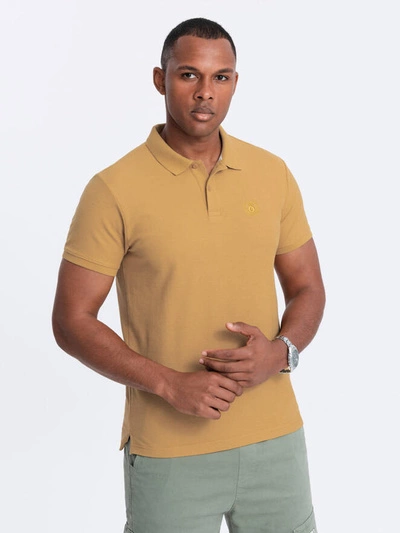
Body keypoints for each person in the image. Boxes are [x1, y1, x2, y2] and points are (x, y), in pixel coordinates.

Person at [52, 17, 325, 533]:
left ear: (235, 83)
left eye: (220, 77)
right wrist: (170, 384)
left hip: (276, 441)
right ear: (161, 79)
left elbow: (308, 287)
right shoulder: (113, 189)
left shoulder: (272, 173)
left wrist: (280, 352)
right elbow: (71, 320)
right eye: (188, 75)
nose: (205, 92)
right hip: (169, 451)